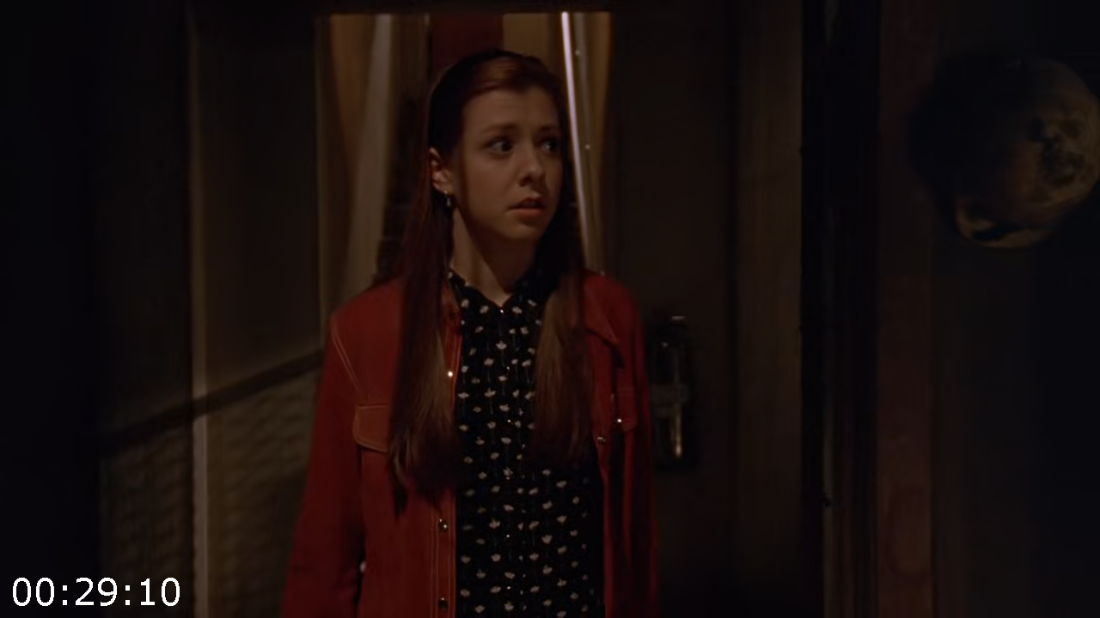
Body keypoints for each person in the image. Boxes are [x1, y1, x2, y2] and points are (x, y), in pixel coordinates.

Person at [281, 48, 658, 618]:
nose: (535, 169)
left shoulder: (607, 317)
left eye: (549, 144)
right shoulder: (366, 333)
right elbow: (324, 559)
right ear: (442, 171)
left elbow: (637, 545)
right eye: (502, 145)